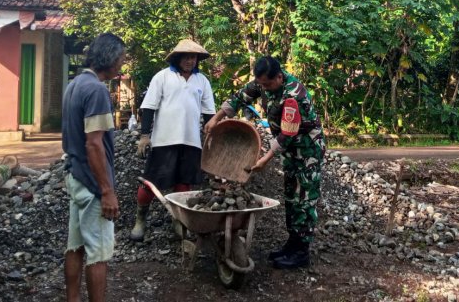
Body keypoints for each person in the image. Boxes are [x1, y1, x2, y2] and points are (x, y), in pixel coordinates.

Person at [204, 56, 325, 269]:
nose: (264, 89)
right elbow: (240, 97)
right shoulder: (263, 83)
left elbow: (287, 134)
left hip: (307, 151)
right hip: (290, 152)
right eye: (261, 84)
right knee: (291, 196)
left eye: (268, 84)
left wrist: (264, 159)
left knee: (304, 199)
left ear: (279, 76)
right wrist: (216, 118)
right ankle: (292, 244)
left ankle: (301, 252)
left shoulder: (293, 95)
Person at [129, 39, 216, 241]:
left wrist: (212, 139)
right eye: (185, 57)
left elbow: (209, 113)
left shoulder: (202, 81)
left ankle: (178, 221)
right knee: (151, 182)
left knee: (183, 185)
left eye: (193, 57)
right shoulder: (162, 77)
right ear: (177, 58)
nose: (189, 61)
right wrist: (144, 136)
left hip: (191, 141)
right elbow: (149, 107)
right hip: (164, 140)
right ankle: (140, 220)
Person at [62, 33, 126, 302]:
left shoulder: (74, 85)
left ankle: (72, 298)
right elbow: (94, 145)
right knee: (98, 254)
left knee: (75, 246)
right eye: (121, 59)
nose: (122, 66)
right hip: (91, 183)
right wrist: (107, 191)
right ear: (110, 58)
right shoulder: (97, 90)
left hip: (75, 175)